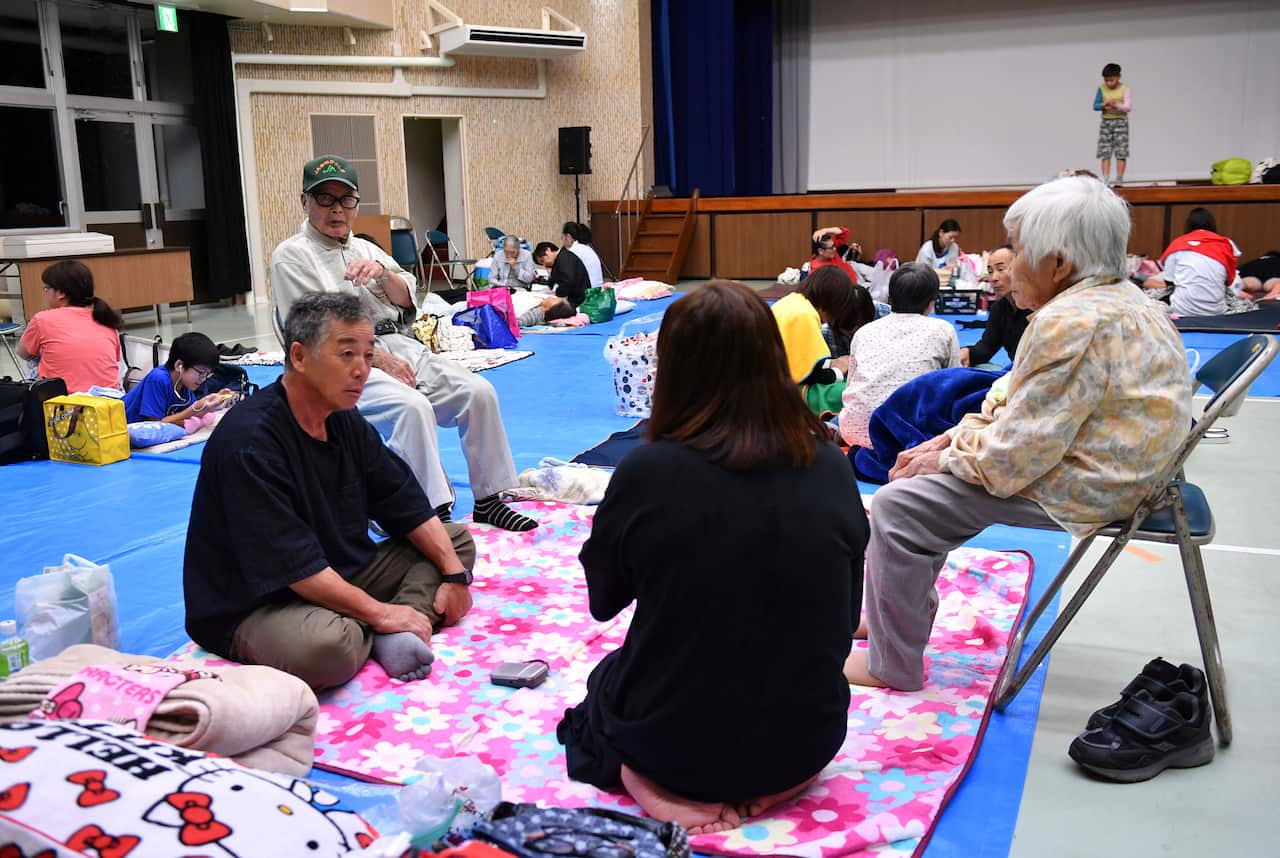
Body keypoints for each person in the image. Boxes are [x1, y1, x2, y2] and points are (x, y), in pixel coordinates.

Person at [844, 176, 1193, 691]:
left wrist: (941, 458)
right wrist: (946, 443)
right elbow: (1015, 408)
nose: (1008, 262)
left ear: (1059, 265)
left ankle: (891, 663)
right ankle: (893, 620)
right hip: (1123, 465)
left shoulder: (1068, 322)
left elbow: (1013, 454)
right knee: (922, 476)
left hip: (1100, 482)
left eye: (1019, 250)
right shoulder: (1126, 300)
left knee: (900, 506)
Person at [557, 280, 868, 834]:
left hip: (674, 747)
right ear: (773, 361)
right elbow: (844, 620)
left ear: (672, 369)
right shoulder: (829, 464)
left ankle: (644, 778)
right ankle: (776, 785)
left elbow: (603, 601)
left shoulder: (649, 472)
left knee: (605, 686)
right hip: (805, 740)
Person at [184, 293, 476, 690]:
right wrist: (380, 614)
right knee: (327, 649)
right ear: (300, 357)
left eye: (368, 356)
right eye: (347, 355)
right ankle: (389, 625)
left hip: (340, 571)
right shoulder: (250, 442)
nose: (362, 371)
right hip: (261, 601)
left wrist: (456, 576)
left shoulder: (343, 419)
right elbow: (294, 567)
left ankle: (388, 626)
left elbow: (402, 499)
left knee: (452, 542)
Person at [270, 155, 536, 532]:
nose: (336, 209)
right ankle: (430, 518)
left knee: (478, 392)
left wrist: (382, 274)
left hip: (397, 341)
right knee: (411, 407)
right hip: (336, 365)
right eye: (324, 199)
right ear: (305, 202)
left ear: (356, 204)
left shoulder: (365, 249)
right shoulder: (292, 256)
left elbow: (407, 296)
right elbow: (315, 330)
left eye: (345, 200)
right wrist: (376, 358)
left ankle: (490, 499)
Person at [838, 263, 961, 449]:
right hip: (915, 437)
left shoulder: (864, 332)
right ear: (930, 302)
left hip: (856, 432)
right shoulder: (943, 330)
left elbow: (851, 385)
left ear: (890, 297)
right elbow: (954, 387)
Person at [771, 265, 875, 416]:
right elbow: (806, 375)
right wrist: (838, 370)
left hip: (771, 379)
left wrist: (832, 364)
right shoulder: (805, 315)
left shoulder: (793, 301)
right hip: (778, 389)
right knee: (848, 392)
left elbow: (797, 359)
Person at [17, 260, 123, 393]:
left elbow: (23, 353)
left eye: (46, 288)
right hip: (109, 400)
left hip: (62, 404)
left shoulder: (42, 319)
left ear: (61, 293)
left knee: (34, 362)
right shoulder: (105, 319)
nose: (45, 293)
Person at [1147, 208, 1249, 317]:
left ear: (1188, 225)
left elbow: (1169, 281)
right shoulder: (1226, 243)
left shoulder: (1177, 243)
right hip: (1217, 312)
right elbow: (1230, 280)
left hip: (1181, 311)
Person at [123, 332, 234, 424]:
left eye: (207, 374)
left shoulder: (185, 383)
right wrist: (193, 409)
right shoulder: (158, 379)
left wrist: (209, 405)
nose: (203, 378)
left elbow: (190, 413)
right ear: (179, 366)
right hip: (115, 425)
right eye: (201, 372)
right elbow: (155, 424)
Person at [960, 245, 1031, 367]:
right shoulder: (998, 309)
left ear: (1020, 268)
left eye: (1001, 269)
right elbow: (986, 348)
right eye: (990, 271)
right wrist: (967, 352)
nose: (993, 278)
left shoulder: (1037, 307)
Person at [1093, 62, 1131, 186]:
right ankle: (1105, 179)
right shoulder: (1101, 88)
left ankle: (1119, 179)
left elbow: (1127, 107)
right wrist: (1104, 104)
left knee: (1121, 152)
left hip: (1120, 122)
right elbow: (1095, 105)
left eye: (1111, 80)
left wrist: (1116, 105)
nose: (1109, 83)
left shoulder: (1125, 89)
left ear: (1118, 77)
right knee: (1105, 152)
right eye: (1106, 80)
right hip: (1106, 122)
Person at [532, 241, 591, 309]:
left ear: (548, 250)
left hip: (579, 301)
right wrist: (550, 273)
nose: (544, 264)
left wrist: (557, 293)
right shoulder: (560, 258)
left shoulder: (564, 257)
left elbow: (568, 281)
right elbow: (553, 283)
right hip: (575, 298)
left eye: (542, 260)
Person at [561, 222, 605, 288]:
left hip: (588, 293)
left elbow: (568, 278)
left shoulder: (574, 250)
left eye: (563, 236)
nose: (562, 239)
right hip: (597, 290)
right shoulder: (587, 249)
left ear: (568, 237)